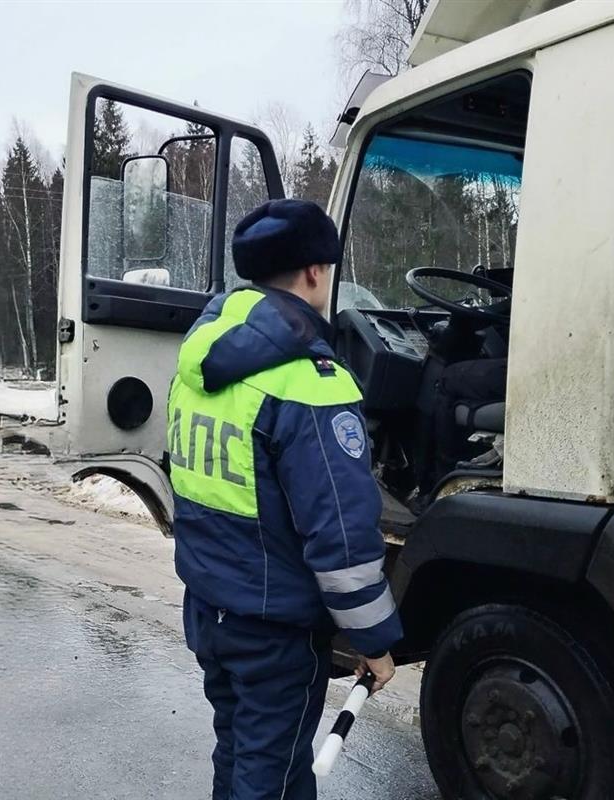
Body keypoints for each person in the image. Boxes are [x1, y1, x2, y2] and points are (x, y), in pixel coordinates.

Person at [167, 199, 403, 800]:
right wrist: (373, 642)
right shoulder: (309, 381)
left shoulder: (198, 364)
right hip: (275, 634)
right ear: (316, 272)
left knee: (239, 753)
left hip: (211, 611)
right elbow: (342, 540)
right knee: (272, 777)